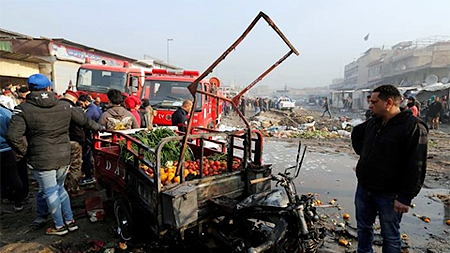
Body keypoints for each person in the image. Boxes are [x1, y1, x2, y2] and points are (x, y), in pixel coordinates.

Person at [6, 73, 102, 235]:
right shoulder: (64, 106)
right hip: (64, 155)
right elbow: (86, 122)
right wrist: (104, 129)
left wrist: (26, 152)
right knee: (60, 189)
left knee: (50, 191)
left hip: (41, 158)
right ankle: (70, 222)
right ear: (49, 88)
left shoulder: (23, 109)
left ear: (29, 89)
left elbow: (12, 136)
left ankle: (59, 226)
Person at [351, 85, 428, 252]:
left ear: (389, 103)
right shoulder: (373, 123)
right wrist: (364, 160)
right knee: (363, 228)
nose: (370, 105)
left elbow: (417, 164)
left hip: (390, 194)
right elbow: (356, 133)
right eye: (369, 102)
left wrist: (405, 197)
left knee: (390, 235)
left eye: (374, 102)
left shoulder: (412, 127)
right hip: (365, 188)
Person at [0, 105, 24, 212]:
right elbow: (13, 132)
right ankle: (18, 201)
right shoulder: (6, 113)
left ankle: (5, 196)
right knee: (13, 176)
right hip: (7, 149)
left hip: (6, 149)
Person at [77, 94, 102, 185]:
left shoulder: (90, 112)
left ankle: (89, 176)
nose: (81, 105)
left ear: (86, 102)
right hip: (95, 136)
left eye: (81, 103)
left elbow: (85, 123)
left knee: (87, 157)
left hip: (90, 136)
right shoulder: (96, 108)